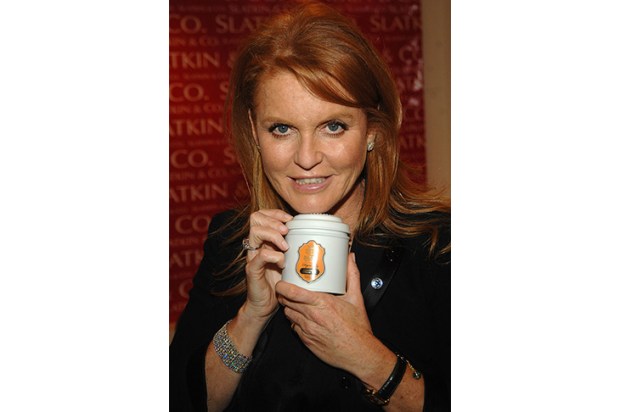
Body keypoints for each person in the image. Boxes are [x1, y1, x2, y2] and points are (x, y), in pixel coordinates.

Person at [169, 2, 450, 411]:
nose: (306, 158)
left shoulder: (439, 246)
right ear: (255, 132)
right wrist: (251, 316)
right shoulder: (234, 242)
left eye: (333, 126)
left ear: (372, 130)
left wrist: (366, 357)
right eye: (281, 129)